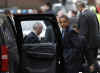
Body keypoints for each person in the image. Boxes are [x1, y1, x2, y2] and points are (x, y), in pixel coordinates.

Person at [76, 1, 100, 72]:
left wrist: (80, 44)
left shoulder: (83, 15)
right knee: (93, 61)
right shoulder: (93, 13)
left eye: (77, 7)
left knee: (90, 64)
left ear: (80, 7)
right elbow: (98, 27)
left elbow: (83, 32)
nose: (77, 9)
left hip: (88, 44)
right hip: (95, 42)